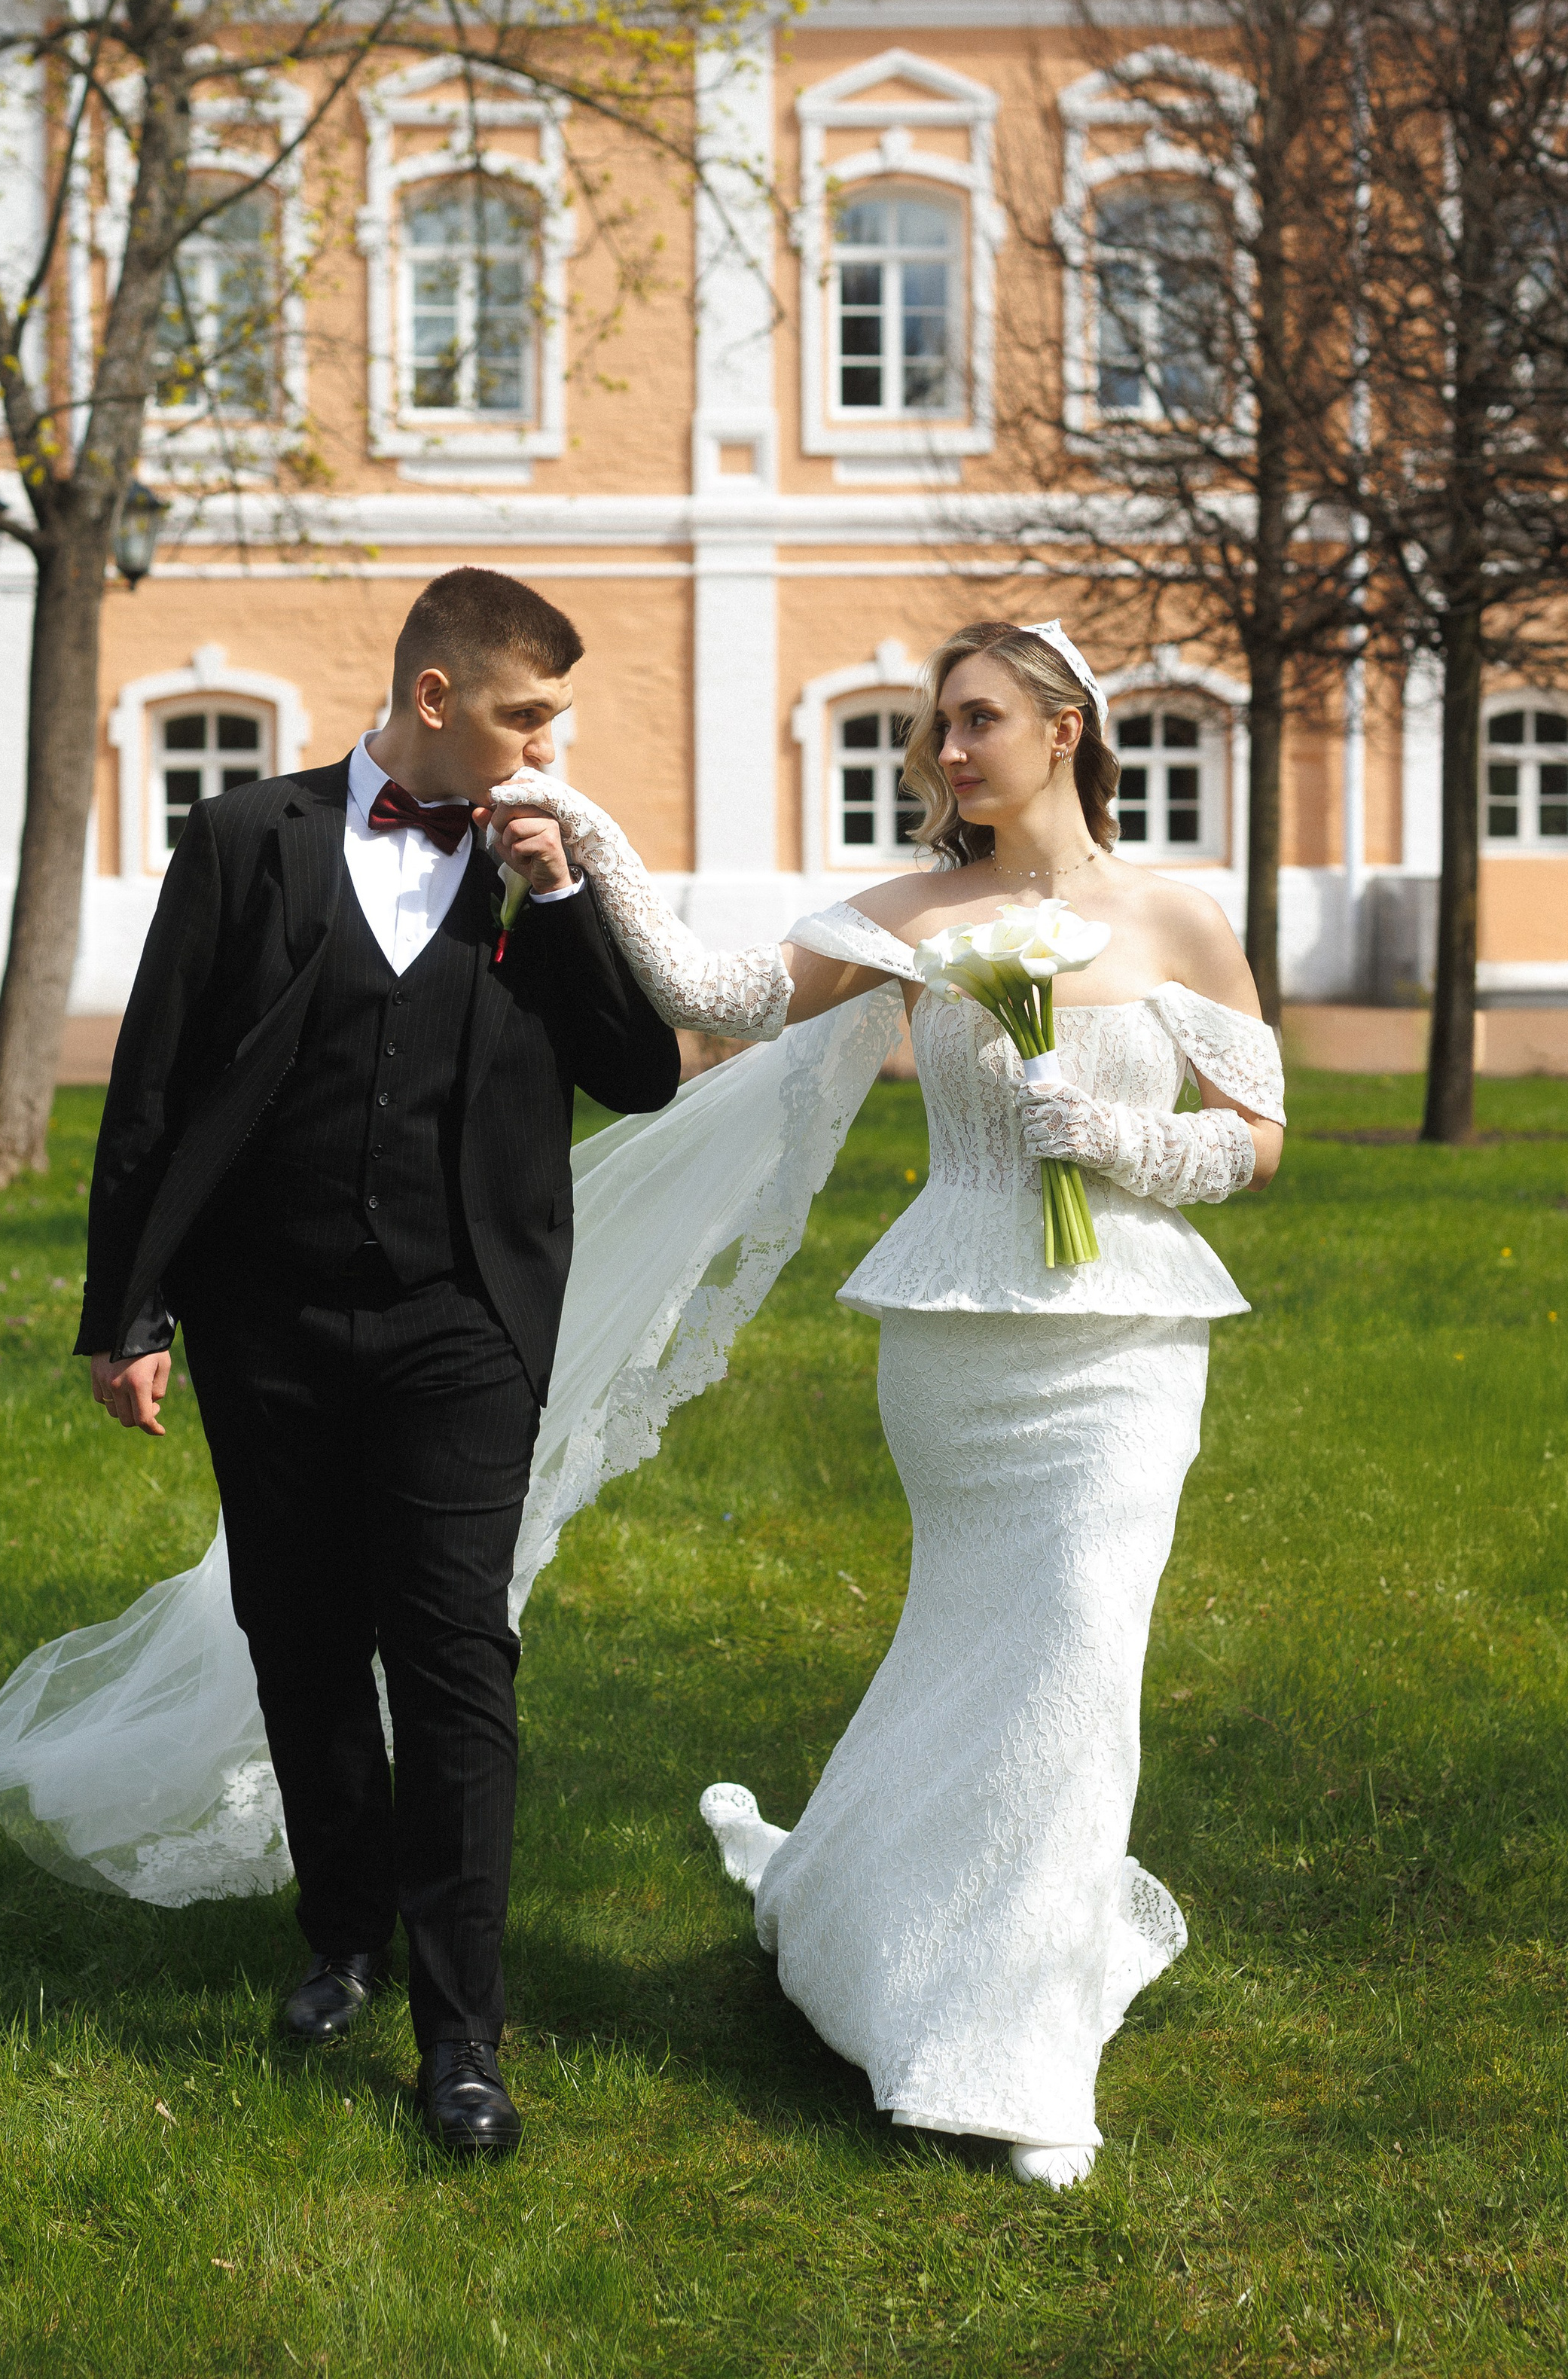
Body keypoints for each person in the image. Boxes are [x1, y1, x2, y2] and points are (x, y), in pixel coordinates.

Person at [486, 618, 1285, 2188]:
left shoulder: (1179, 918)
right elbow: (715, 986)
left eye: (975, 719)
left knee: (1077, 1644)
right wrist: (591, 834)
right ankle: (880, 1923)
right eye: (933, 728)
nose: (944, 751)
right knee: (974, 1642)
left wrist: (1129, 1148)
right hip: (956, 1338)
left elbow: (1260, 1131)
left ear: (1065, 729)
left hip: (1127, 1348)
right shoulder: (912, 911)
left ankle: (1019, 2048)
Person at [66, 566, 679, 2154]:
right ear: (433, 699)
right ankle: (338, 1925)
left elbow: (640, 1076)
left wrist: (556, 899)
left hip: (460, 1321)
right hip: (264, 1318)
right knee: (300, 1629)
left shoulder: (550, 857)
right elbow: (154, 1088)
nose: (550, 744)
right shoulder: (244, 844)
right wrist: (122, 1314)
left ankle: (460, 2035)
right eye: (526, 714)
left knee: (456, 1652)